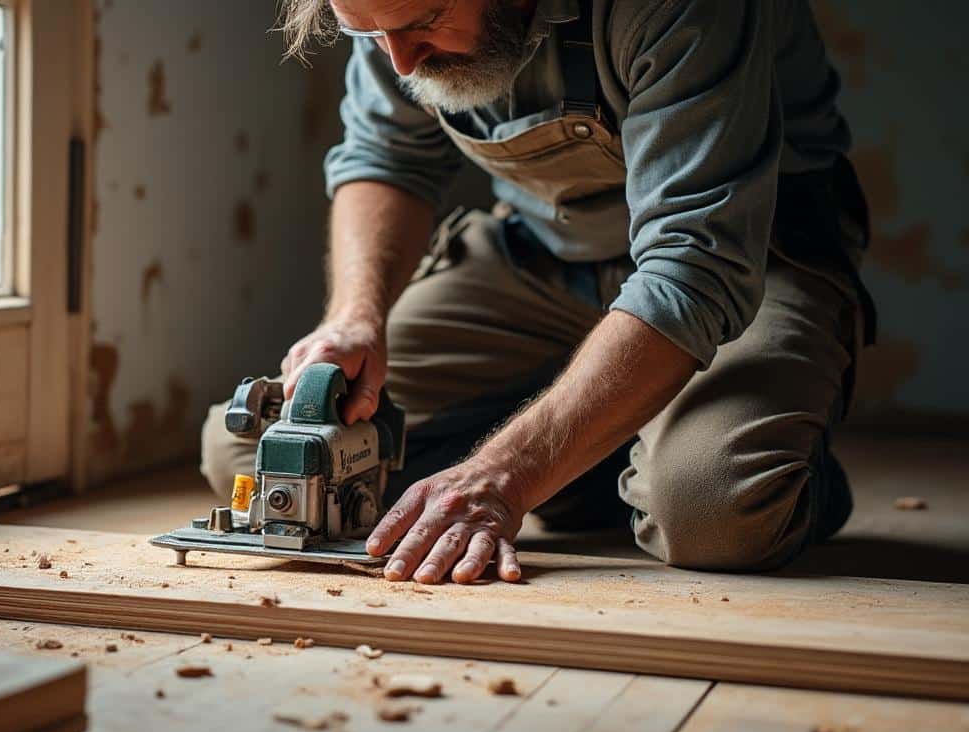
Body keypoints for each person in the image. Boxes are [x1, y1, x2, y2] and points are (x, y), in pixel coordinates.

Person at [200, 0, 876, 585]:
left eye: (425, 22)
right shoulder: (394, 22)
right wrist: (354, 316)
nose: (400, 63)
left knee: (711, 509)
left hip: (745, 263)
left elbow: (692, 270)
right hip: (543, 258)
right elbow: (386, 157)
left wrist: (509, 473)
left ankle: (760, 472)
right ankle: (604, 442)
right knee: (274, 459)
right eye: (371, 34)